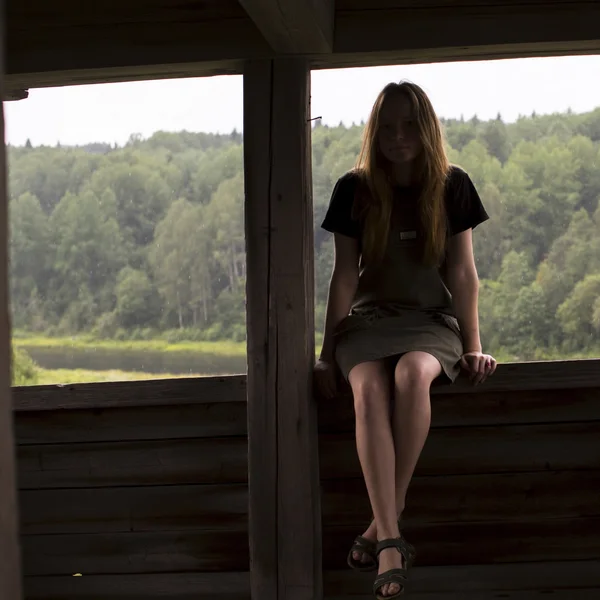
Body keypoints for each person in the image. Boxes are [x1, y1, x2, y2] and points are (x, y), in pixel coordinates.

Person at [314, 81, 497, 599]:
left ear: (427, 128)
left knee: (412, 374)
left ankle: (379, 528)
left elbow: (463, 274)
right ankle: (391, 537)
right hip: (369, 320)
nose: (398, 137)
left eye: (409, 125)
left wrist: (472, 347)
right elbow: (344, 278)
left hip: (431, 322)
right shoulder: (354, 189)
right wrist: (327, 355)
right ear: (376, 131)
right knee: (369, 389)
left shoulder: (452, 185)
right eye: (388, 127)